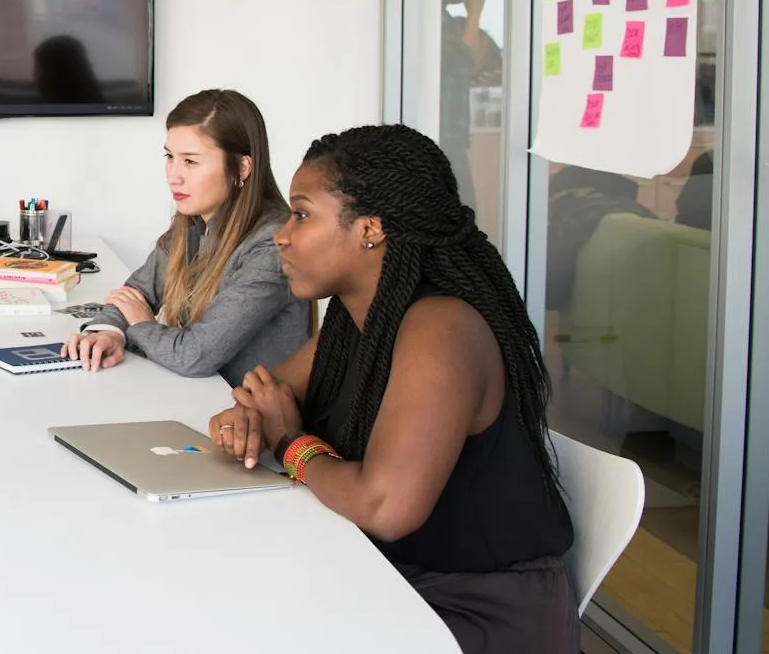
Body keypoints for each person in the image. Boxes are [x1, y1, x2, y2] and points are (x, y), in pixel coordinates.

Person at [211, 124, 576, 653]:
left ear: (370, 230)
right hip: (386, 575)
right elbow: (264, 394)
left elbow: (386, 507)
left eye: (303, 213)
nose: (281, 234)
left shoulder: (441, 328)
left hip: (474, 610)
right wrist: (247, 418)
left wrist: (292, 444)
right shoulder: (358, 318)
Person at [61, 89, 305, 380]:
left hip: (247, 416)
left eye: (190, 161)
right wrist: (107, 332)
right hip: (204, 401)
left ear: (242, 167)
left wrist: (140, 326)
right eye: (170, 157)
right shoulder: (191, 222)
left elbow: (193, 356)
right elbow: (136, 292)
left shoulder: (271, 246)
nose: (172, 175)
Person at [441, 0, 503, 210]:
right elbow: (459, 61)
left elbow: (487, 67)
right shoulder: (425, 20)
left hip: (454, 139)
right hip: (439, 139)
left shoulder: (454, 25)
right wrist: (475, 13)